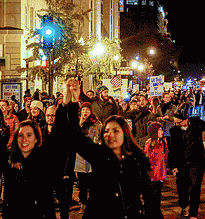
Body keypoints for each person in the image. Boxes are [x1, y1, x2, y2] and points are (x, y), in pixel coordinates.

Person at [55, 78, 153, 219]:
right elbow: (73, 135)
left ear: (124, 133)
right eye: (107, 131)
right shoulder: (99, 155)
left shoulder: (138, 159)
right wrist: (70, 103)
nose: (110, 135)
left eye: (116, 131)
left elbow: (149, 198)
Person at [0, 92, 62, 219]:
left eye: (29, 135)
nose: (24, 139)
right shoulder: (9, 159)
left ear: (36, 138)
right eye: (20, 135)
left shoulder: (45, 159)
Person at [74, 102, 102, 214]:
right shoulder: (76, 123)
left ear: (91, 111)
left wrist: (98, 143)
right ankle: (83, 204)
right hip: (80, 157)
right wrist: (80, 124)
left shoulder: (97, 123)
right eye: (83, 110)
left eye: (87, 110)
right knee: (82, 183)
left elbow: (101, 137)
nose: (85, 112)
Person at [144, 122, 169, 219]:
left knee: (157, 198)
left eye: (162, 130)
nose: (162, 132)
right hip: (152, 177)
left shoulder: (163, 143)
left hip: (160, 176)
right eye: (160, 130)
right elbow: (147, 161)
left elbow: (165, 157)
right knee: (152, 200)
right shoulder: (149, 145)